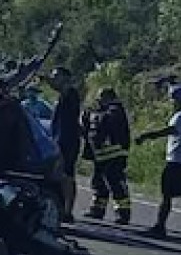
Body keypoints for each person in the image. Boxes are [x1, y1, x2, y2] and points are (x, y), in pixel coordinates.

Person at [136, 83, 181, 243]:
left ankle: (160, 226)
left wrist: (147, 136)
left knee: (168, 196)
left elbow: (170, 131)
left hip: (179, 162)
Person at [83, 87, 133, 224]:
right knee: (98, 183)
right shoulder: (101, 112)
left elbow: (106, 124)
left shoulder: (115, 111)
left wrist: (94, 115)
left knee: (116, 183)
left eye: (101, 98)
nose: (98, 101)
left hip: (114, 154)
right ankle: (97, 209)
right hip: (101, 155)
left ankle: (123, 213)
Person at [46, 67, 84, 220]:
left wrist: (48, 80)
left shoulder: (71, 93)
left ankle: (68, 211)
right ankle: (60, 207)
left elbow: (61, 87)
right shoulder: (62, 96)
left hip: (67, 140)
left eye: (57, 76)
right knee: (58, 174)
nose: (53, 79)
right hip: (58, 139)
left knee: (66, 175)